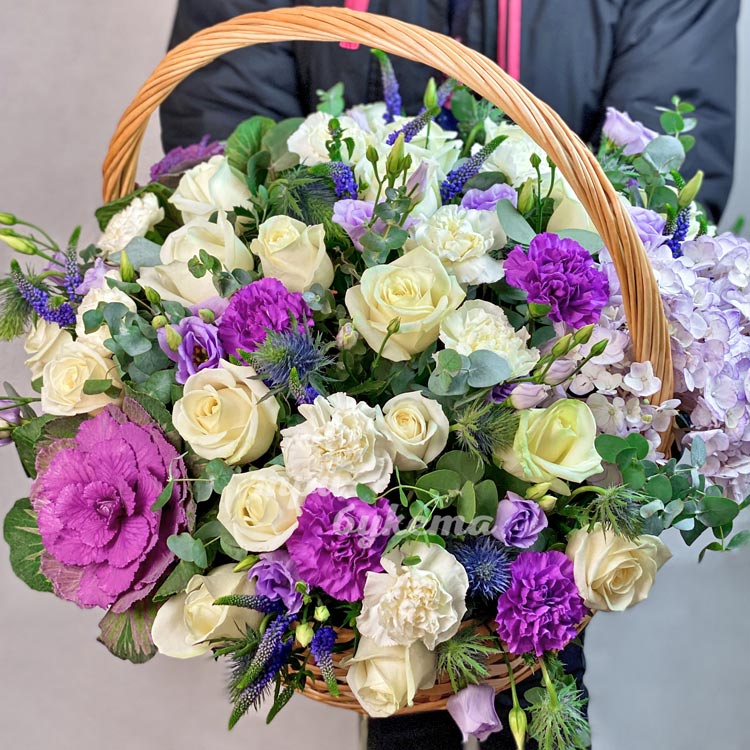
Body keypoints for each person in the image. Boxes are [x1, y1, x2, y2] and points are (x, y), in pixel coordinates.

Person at [159, 2, 740, 748]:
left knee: (519, 650)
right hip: (328, 364)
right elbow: (223, 116)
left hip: (563, 364)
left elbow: (662, 172)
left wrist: (562, 316)